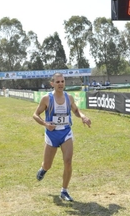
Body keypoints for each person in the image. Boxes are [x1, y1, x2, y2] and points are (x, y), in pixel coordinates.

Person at [33, 72, 91, 201]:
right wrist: (45, 124)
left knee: (68, 161)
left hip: (66, 133)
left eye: (62, 81)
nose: (60, 84)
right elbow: (35, 115)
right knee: (48, 164)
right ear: (52, 84)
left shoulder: (69, 97)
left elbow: (75, 110)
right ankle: (43, 169)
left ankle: (64, 191)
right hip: (52, 134)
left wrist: (82, 116)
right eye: (58, 82)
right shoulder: (46, 99)